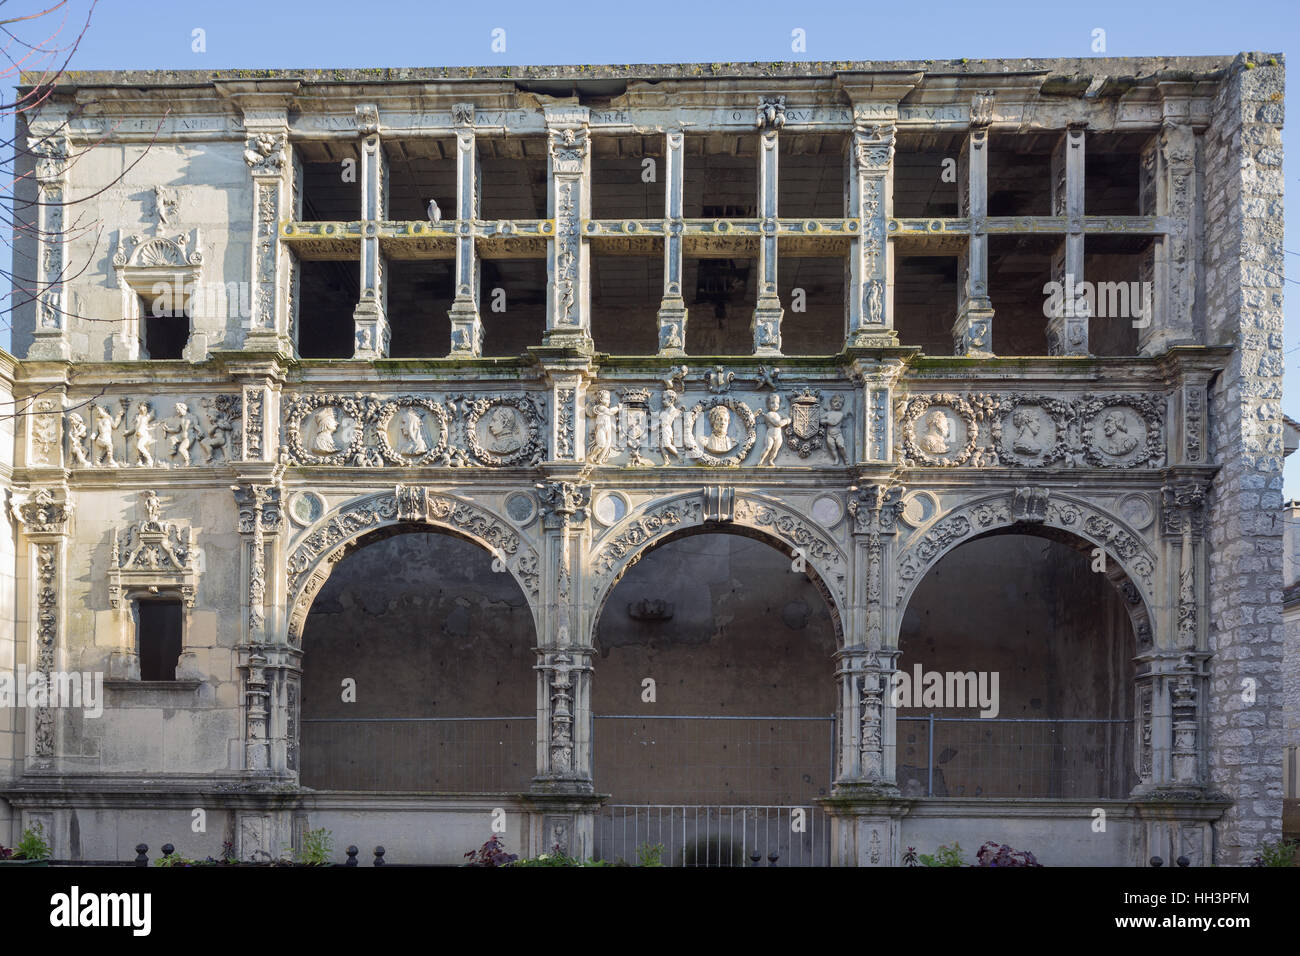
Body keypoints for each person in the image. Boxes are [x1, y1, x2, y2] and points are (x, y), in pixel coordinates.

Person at [586, 390, 621, 463]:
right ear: (601, 400)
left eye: (609, 399)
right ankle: (591, 456)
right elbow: (610, 412)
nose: (609, 401)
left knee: (608, 444)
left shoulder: (605, 408)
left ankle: (599, 459)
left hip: (607, 428)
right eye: (607, 399)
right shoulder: (600, 407)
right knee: (601, 444)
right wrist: (618, 408)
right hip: (601, 428)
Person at [757, 393, 790, 467]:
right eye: (772, 403)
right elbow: (777, 424)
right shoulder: (769, 414)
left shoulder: (780, 414)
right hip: (770, 434)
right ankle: (761, 460)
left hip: (779, 435)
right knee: (768, 447)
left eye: (777, 403)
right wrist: (786, 421)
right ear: (768, 405)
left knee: (775, 449)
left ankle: (771, 460)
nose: (775, 405)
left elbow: (789, 419)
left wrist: (787, 420)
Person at [823, 394, 849, 464]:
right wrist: (824, 420)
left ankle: (845, 458)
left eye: (840, 403)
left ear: (842, 405)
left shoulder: (840, 414)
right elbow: (820, 419)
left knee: (841, 445)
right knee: (832, 448)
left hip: (838, 434)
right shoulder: (828, 413)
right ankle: (836, 459)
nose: (837, 404)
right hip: (829, 434)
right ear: (831, 403)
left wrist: (826, 421)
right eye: (835, 402)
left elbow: (834, 422)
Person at [659, 390, 682, 465]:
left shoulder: (674, 411)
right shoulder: (664, 411)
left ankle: (679, 456)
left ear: (671, 399)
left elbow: (665, 422)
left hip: (667, 430)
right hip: (662, 430)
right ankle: (666, 460)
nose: (662, 401)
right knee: (661, 445)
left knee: (666, 444)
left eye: (664, 399)